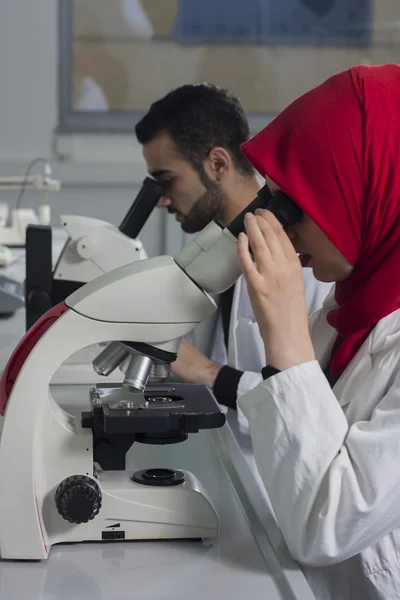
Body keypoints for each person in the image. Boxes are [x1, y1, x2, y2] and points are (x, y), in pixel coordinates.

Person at [236, 63, 400, 599]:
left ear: (369, 190)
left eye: (298, 205)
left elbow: (326, 527)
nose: (281, 224)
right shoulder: (354, 305)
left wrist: (283, 334)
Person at [135, 84, 331, 432]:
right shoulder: (218, 251)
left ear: (217, 164)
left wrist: (205, 371)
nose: (161, 201)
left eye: (166, 181)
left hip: (271, 478)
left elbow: (316, 405)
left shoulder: (306, 262)